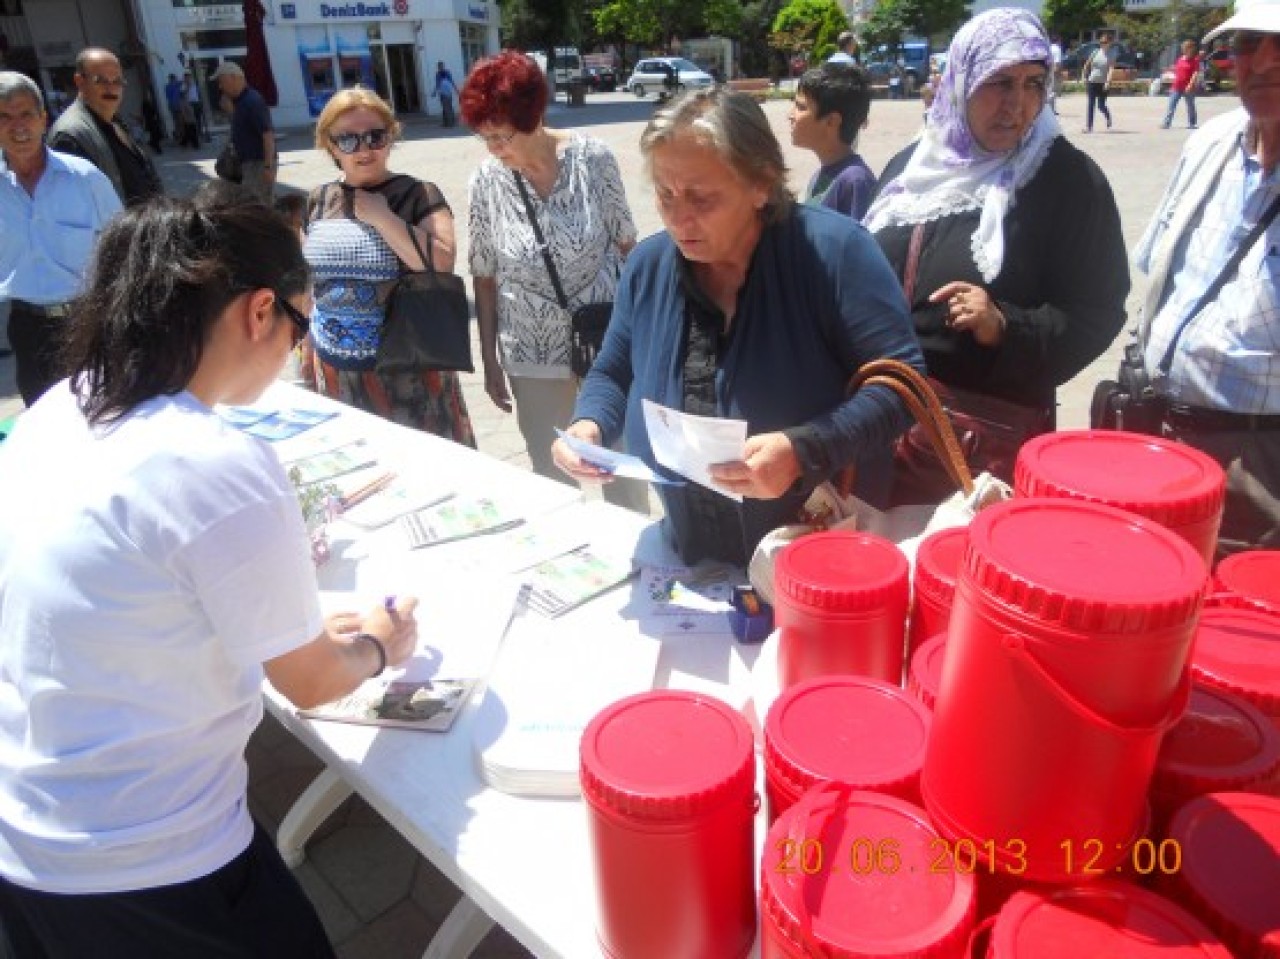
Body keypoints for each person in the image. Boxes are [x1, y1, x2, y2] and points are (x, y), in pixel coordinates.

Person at [0, 188, 420, 957]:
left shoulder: (60, 405)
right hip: (147, 856)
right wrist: (382, 646)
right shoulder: (213, 459)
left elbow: (123, 596)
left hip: (27, 837)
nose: (297, 350)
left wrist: (293, 631)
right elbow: (312, 682)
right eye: (301, 326)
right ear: (260, 312)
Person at [552, 88, 923, 566]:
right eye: (665, 194)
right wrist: (590, 424)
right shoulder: (648, 265)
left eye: (702, 197)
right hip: (688, 549)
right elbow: (614, 368)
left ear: (761, 184)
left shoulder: (835, 253)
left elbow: (902, 386)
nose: (678, 216)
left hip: (818, 559)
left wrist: (803, 449)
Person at [865, 9, 1128, 502]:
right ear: (961, 80)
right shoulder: (912, 168)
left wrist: (1005, 326)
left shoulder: (1065, 180)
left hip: (979, 456)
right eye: (1000, 82)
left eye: (1033, 84)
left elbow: (1098, 313)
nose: (1019, 104)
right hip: (883, 432)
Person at [462, 51, 650, 512]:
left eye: (503, 136)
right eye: (485, 138)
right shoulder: (486, 181)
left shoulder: (594, 160)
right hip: (531, 349)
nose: (495, 149)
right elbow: (484, 275)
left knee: (619, 467)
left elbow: (629, 248)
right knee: (552, 479)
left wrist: (646, 337)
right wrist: (489, 360)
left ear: (535, 116)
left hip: (605, 344)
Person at [1133, 0, 1280, 553]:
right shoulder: (1210, 145)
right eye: (1246, 43)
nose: (1261, 61)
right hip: (1163, 437)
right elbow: (1162, 281)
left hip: (1259, 465)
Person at [300, 87, 474, 447]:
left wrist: (383, 218)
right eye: (347, 139)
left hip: (406, 369)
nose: (363, 149)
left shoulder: (418, 194)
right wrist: (306, 343)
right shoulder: (318, 200)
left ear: (390, 138)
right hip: (334, 366)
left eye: (375, 136)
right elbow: (311, 280)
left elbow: (440, 263)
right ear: (330, 146)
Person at [0, 71, 121, 406]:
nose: (17, 126)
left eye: (25, 114)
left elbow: (123, 248)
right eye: (4, 117)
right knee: (44, 422)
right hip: (27, 327)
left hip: (85, 321)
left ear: (43, 119)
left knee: (101, 414)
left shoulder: (84, 179)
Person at [47, 47, 163, 206]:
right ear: (80, 81)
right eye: (100, 80)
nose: (111, 88)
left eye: (117, 81)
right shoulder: (70, 136)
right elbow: (75, 209)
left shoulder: (114, 123)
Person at [789, 62, 876, 220]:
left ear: (831, 121)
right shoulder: (821, 174)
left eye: (801, 107)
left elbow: (858, 241)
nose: (790, 116)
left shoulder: (855, 181)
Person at [212, 60, 275, 203]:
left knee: (256, 205)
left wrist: (268, 166)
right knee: (252, 204)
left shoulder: (252, 101)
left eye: (222, 81)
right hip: (248, 163)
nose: (220, 87)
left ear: (234, 78)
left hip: (257, 163)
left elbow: (268, 135)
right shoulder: (240, 102)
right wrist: (231, 112)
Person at [1081, 31, 1118, 133]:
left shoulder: (1112, 54)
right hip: (1092, 81)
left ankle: (1108, 118)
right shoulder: (1095, 52)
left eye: (1105, 42)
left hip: (1103, 82)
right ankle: (1089, 127)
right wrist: (1084, 76)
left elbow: (1111, 68)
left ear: (1110, 43)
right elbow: (1086, 65)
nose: (1102, 44)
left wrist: (1108, 82)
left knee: (1101, 105)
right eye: (1101, 42)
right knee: (1090, 104)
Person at [1162, 39, 1203, 129]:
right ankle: (1166, 123)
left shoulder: (1195, 61)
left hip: (1188, 87)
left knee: (1190, 106)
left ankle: (1192, 123)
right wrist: (1170, 71)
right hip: (1176, 86)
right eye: (1183, 48)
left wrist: (1190, 84)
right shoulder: (1180, 59)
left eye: (1185, 48)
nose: (1183, 50)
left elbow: (1195, 73)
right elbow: (1178, 70)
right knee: (1171, 105)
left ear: (1190, 49)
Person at [432, 60, 457, 128]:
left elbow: (439, 84)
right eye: (439, 66)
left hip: (445, 93)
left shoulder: (440, 74)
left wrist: (434, 92)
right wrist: (456, 90)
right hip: (446, 93)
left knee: (447, 108)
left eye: (440, 66)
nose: (440, 67)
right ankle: (447, 123)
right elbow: (451, 82)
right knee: (447, 108)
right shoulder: (445, 73)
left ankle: (449, 123)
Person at [185, 70, 207, 142]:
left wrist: (201, 102)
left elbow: (199, 94)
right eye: (187, 78)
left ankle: (200, 133)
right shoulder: (183, 86)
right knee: (192, 121)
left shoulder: (195, 85)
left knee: (198, 119)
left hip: (196, 103)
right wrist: (187, 87)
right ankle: (195, 135)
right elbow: (183, 96)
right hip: (189, 104)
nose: (188, 79)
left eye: (189, 77)